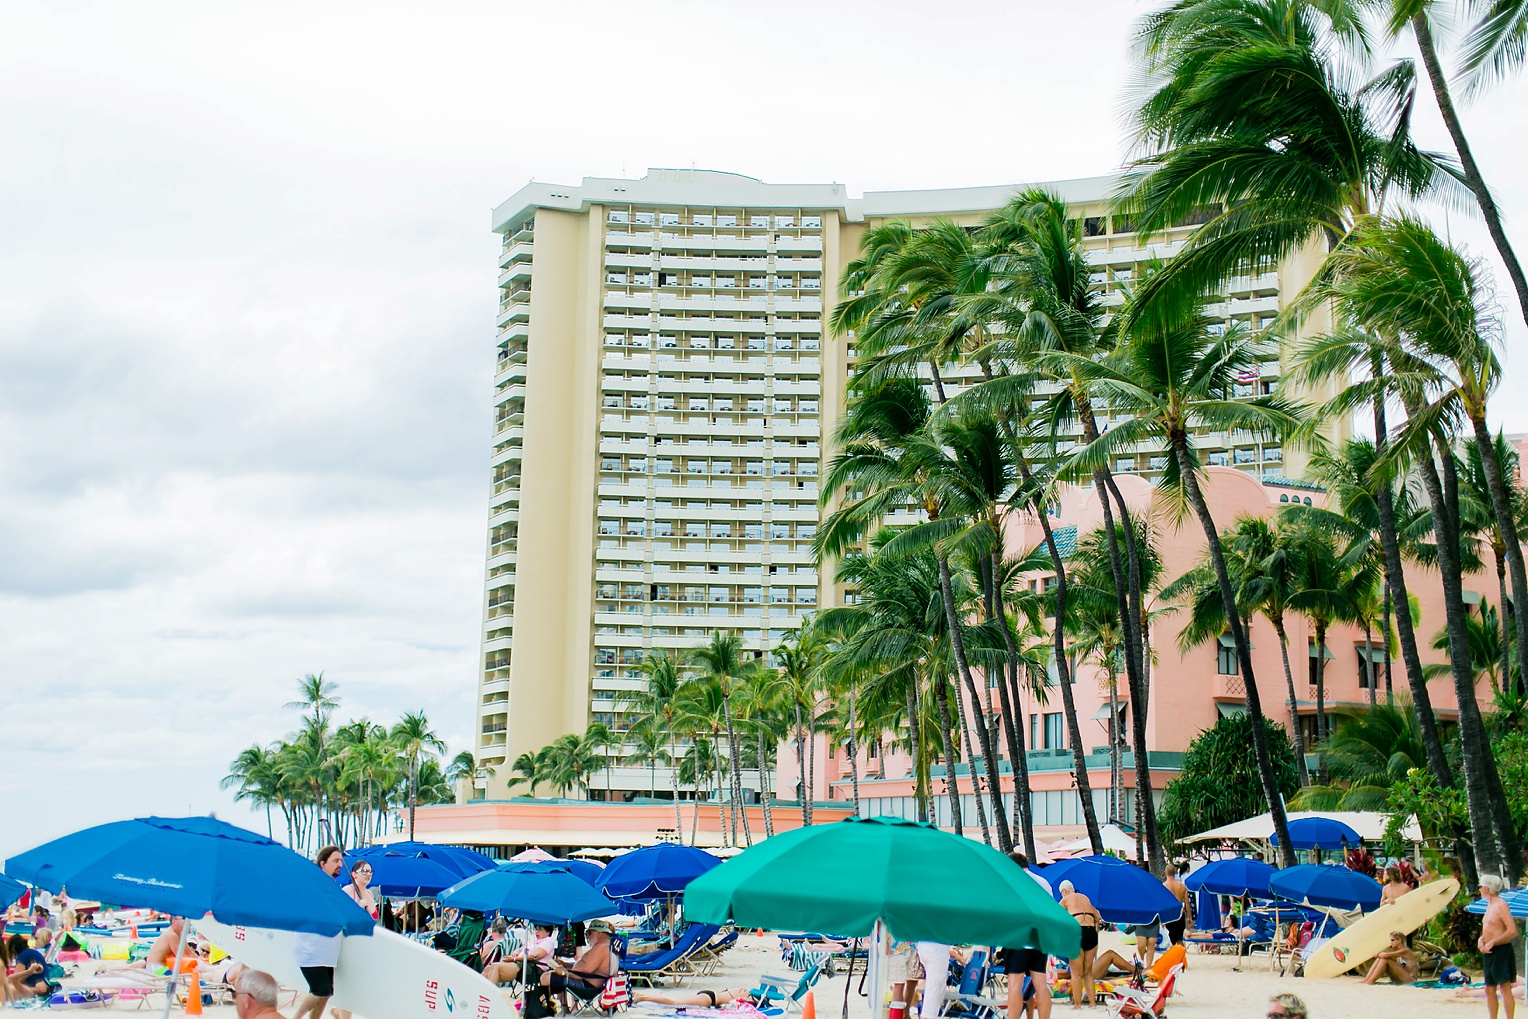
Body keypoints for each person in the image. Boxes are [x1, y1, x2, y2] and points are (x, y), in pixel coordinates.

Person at [291, 846, 346, 1019]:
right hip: (311, 948)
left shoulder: (331, 885)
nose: (340, 864)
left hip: (326, 951)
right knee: (320, 990)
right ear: (322, 863)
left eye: (340, 861)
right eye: (335, 861)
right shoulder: (314, 883)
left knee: (326, 992)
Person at [1002, 851, 1053, 1019]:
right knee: (1041, 984)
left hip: (1019, 938)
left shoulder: (1012, 882)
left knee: (1015, 985)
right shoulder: (1043, 882)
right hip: (1039, 939)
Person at [537, 919, 617, 1016]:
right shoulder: (607, 946)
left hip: (587, 987)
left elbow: (586, 971)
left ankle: (543, 1009)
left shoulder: (602, 948)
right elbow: (590, 968)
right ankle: (558, 1008)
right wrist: (565, 965)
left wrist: (564, 972)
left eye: (589, 933)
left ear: (598, 933)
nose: (587, 937)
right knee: (551, 974)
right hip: (589, 983)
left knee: (546, 977)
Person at [1479, 874, 1520, 1019]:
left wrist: (1494, 942)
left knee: (1504, 987)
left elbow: (1512, 930)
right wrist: (1482, 939)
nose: (1480, 890)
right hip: (1489, 952)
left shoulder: (1501, 905)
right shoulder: (1490, 905)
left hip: (1501, 951)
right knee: (1489, 989)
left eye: (1481, 887)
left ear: (1486, 888)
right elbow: (1489, 927)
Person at [1057, 879, 1101, 1010]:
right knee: (1088, 972)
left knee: (1076, 973)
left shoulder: (1065, 900)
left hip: (1077, 933)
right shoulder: (1085, 898)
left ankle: (1077, 1005)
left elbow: (1056, 915)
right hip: (1091, 934)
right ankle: (1092, 1003)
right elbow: (1097, 916)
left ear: (1064, 891)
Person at [482, 923, 559, 987]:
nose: (537, 932)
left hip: (533, 969)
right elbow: (522, 948)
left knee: (495, 967)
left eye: (540, 929)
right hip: (522, 964)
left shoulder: (548, 941)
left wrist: (515, 959)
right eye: (536, 929)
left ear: (548, 931)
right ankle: (478, 994)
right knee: (488, 968)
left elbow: (535, 956)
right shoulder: (534, 941)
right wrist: (516, 951)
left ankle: (489, 998)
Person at [5, 932, 52, 1000]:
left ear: (12, 948)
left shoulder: (22, 956)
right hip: (43, 984)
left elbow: (16, 979)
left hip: (34, 989)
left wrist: (29, 971)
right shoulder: (34, 952)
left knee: (8, 988)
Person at [633, 987, 753, 1007]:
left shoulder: (745, 993)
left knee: (674, 1001)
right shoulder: (750, 999)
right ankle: (643, 997)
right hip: (709, 999)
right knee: (673, 1003)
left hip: (710, 995)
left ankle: (643, 996)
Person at [1163, 865, 1191, 946]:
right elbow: (1187, 903)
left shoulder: (1164, 887)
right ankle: (1181, 957)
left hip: (1169, 915)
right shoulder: (1182, 886)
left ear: (1165, 873)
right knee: (1179, 939)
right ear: (1175, 872)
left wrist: (1161, 920)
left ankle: (1173, 957)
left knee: (1170, 940)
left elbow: (1162, 905)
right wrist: (1190, 917)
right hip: (1180, 914)